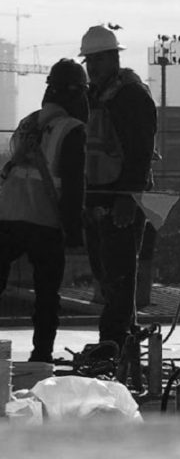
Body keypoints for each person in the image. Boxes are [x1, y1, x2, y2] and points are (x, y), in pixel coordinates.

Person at [0, 59, 88, 362]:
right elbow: (74, 186)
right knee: (47, 295)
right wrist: (75, 233)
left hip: (7, 215)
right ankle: (41, 356)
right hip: (44, 220)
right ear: (76, 94)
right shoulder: (71, 129)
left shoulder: (28, 122)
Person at [81, 25, 157, 352]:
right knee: (108, 275)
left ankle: (112, 343)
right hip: (98, 196)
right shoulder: (94, 95)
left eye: (97, 59)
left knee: (120, 275)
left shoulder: (131, 96)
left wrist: (128, 197)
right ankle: (123, 343)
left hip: (122, 199)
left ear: (114, 57)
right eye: (88, 60)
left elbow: (140, 152)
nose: (92, 66)